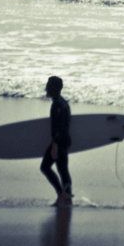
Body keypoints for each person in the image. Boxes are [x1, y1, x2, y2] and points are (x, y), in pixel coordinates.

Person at [40, 75, 72, 205]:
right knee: (63, 170)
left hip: (60, 142)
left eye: (48, 85)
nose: (46, 88)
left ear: (54, 88)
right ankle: (66, 197)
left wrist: (55, 145)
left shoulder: (58, 105)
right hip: (64, 141)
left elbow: (60, 127)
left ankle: (62, 194)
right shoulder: (63, 102)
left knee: (45, 167)